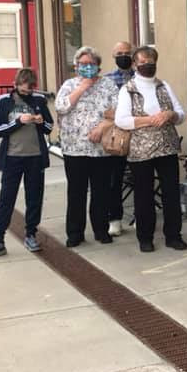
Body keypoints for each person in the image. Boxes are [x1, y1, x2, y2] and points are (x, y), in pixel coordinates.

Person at [115, 45, 187, 252]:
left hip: (167, 147)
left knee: (171, 193)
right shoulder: (128, 89)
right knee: (144, 195)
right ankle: (145, 237)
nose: (147, 64)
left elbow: (180, 114)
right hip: (141, 151)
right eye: (143, 61)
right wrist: (149, 120)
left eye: (151, 60)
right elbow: (121, 120)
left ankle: (173, 235)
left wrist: (170, 115)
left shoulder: (164, 86)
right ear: (135, 64)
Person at [0, 68, 53, 260]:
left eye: (31, 88)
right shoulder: (5, 101)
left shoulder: (38, 100)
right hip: (13, 156)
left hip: (36, 156)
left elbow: (49, 127)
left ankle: (31, 234)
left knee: (34, 198)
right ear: (17, 84)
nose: (28, 91)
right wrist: (19, 121)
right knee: (6, 198)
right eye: (25, 87)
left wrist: (39, 121)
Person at [55, 46, 118, 247]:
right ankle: (75, 233)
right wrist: (82, 87)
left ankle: (100, 230)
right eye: (83, 64)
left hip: (101, 150)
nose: (87, 67)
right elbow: (61, 106)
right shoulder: (69, 85)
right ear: (76, 66)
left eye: (91, 64)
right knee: (76, 192)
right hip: (74, 149)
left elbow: (118, 112)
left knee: (101, 192)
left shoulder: (108, 85)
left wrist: (102, 127)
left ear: (98, 66)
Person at [105, 40, 134, 237]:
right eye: (119, 53)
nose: (123, 56)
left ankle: (141, 216)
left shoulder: (141, 76)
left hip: (140, 136)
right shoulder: (106, 81)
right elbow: (105, 110)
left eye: (127, 52)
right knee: (114, 180)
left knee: (141, 180)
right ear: (114, 56)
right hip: (116, 137)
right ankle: (115, 219)